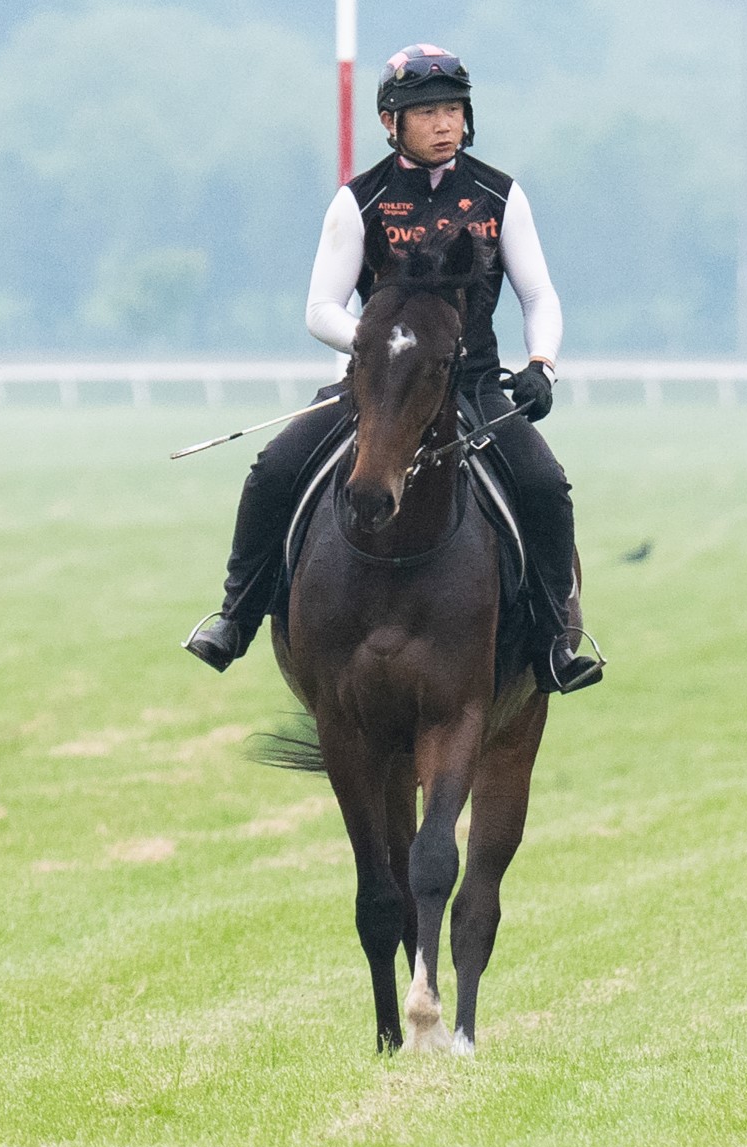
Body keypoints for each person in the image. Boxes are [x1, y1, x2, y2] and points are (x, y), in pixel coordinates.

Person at [183, 44, 603, 692]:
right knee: (272, 471)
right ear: (390, 122)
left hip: (472, 387)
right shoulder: (359, 201)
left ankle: (552, 643)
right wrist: (382, 351)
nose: (445, 124)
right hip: (376, 388)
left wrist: (541, 365)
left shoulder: (499, 195)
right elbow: (320, 308)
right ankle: (235, 617)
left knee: (545, 485)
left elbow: (539, 295)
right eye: (427, 112)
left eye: (454, 110)